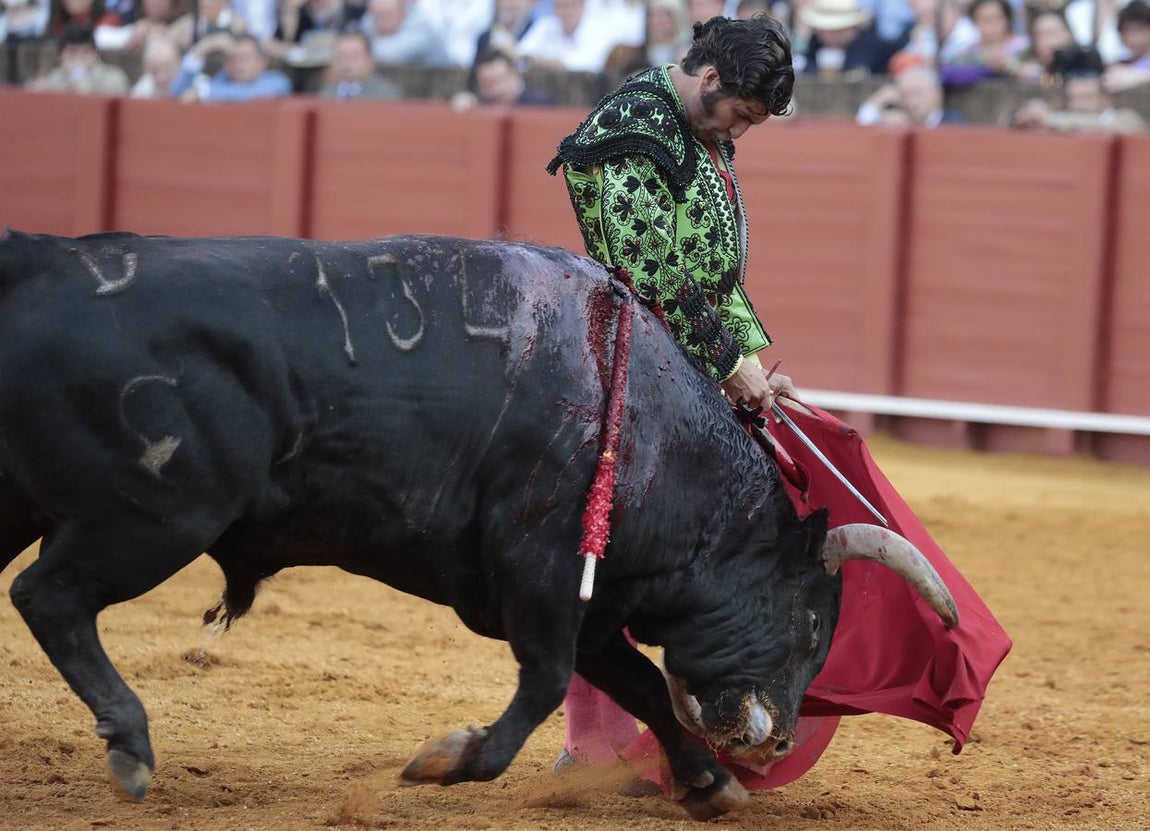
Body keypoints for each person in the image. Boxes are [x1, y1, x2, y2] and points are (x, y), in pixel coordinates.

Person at [171, 31, 292, 102]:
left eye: (244, 58)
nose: (237, 64)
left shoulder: (276, 81)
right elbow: (178, 94)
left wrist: (204, 94)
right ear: (226, 64)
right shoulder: (222, 80)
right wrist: (200, 51)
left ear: (261, 63)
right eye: (232, 58)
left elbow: (254, 95)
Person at [800, 0, 906, 76]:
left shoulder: (871, 46)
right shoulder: (815, 43)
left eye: (838, 30)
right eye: (824, 30)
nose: (829, 36)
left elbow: (854, 71)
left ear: (854, 28)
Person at [25, 20, 130, 93]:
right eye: (72, 52)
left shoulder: (114, 77)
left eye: (85, 52)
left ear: (96, 54)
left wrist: (78, 77)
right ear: (60, 55)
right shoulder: (54, 78)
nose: (78, 58)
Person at [856, 63, 963, 126]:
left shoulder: (953, 123)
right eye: (904, 95)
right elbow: (862, 132)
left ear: (937, 93)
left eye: (916, 94)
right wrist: (877, 100)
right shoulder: (897, 123)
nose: (910, 102)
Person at [450, 45, 555, 109]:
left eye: (500, 80)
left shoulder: (541, 103)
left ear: (516, 74)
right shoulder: (481, 104)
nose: (497, 90)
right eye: (488, 84)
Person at [318, 29, 403, 100]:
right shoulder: (324, 93)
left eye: (354, 56)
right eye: (341, 56)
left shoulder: (386, 94)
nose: (347, 62)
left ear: (369, 60)